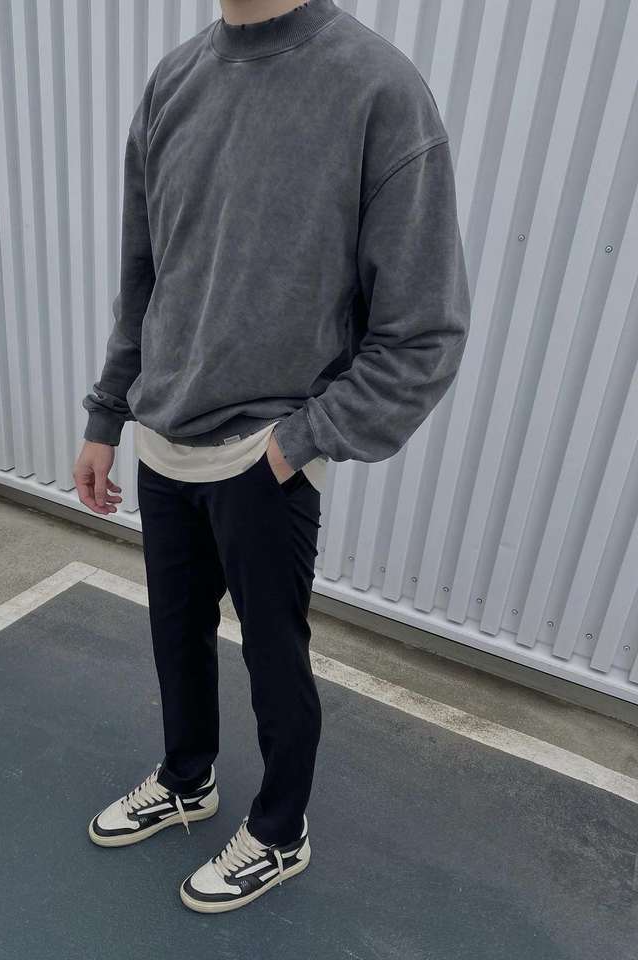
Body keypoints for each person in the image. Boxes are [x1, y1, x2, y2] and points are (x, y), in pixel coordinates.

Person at [73, 0, 470, 914]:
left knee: (274, 657)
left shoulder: (377, 89)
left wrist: (299, 443)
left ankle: (280, 831)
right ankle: (187, 779)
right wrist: (107, 413)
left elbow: (425, 329)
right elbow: (144, 276)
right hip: (162, 437)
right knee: (175, 634)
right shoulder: (173, 82)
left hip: (264, 452)